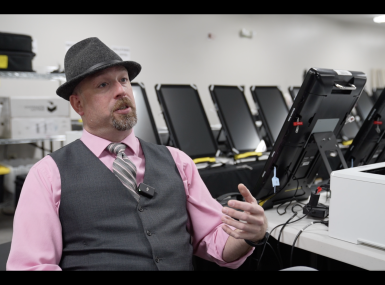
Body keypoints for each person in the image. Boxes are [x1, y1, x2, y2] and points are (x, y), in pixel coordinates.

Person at [7, 37, 267, 271]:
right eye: (103, 85)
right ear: (78, 104)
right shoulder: (48, 175)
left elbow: (214, 242)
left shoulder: (178, 162)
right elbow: (31, 267)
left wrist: (248, 235)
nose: (121, 90)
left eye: (123, 80)